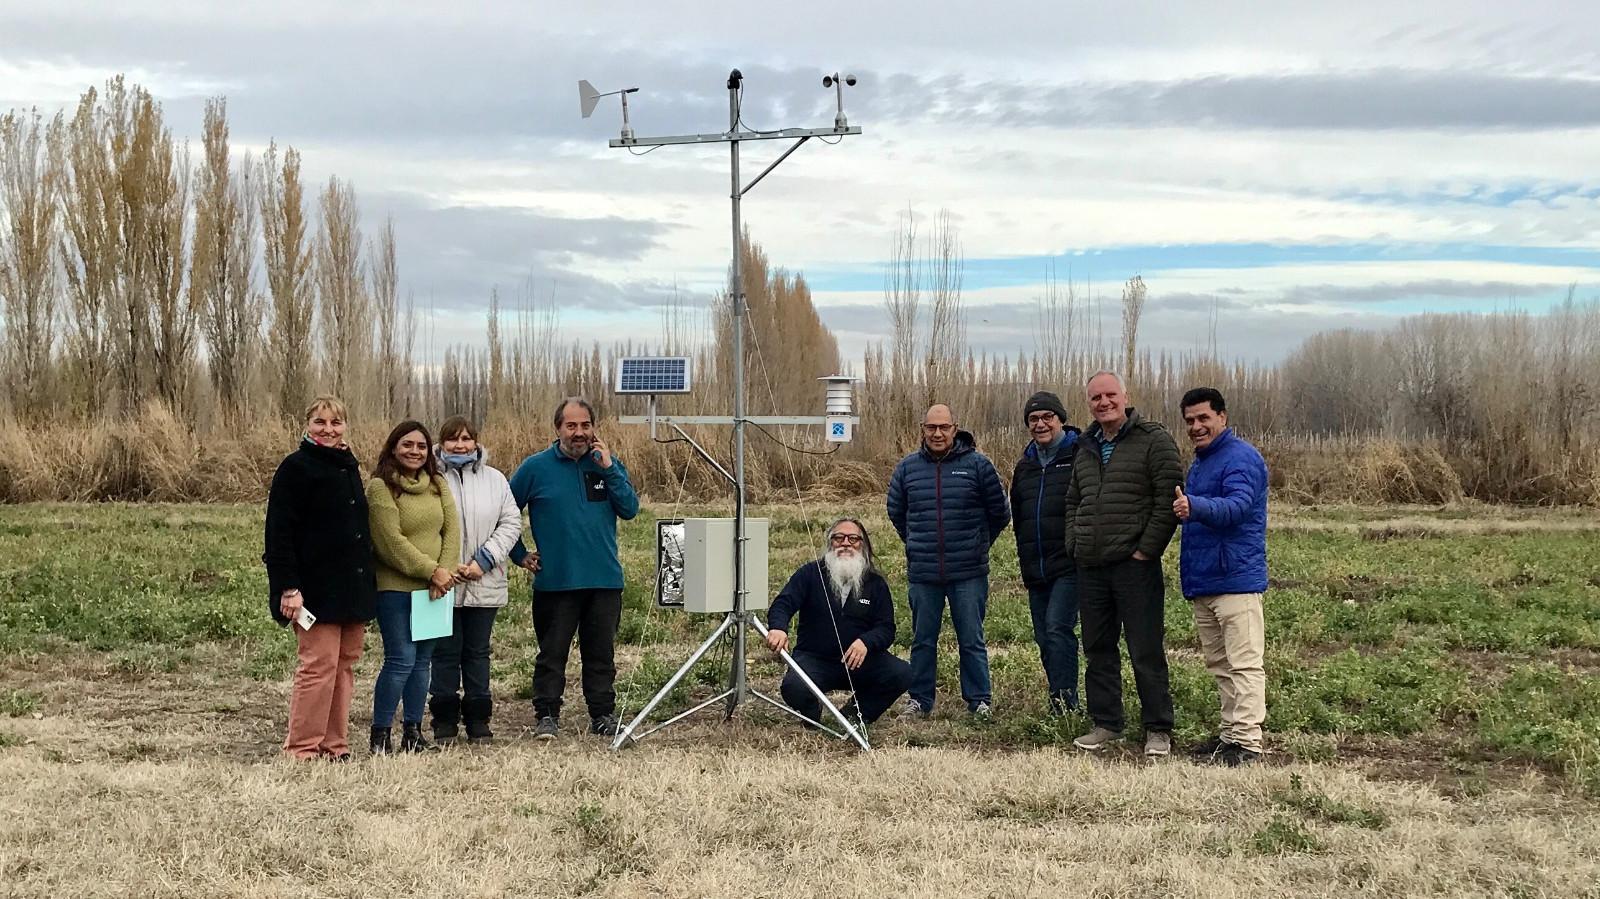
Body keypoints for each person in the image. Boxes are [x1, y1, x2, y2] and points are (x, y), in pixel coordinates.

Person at [1066, 371, 1184, 757]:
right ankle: (1107, 723)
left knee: (1145, 648)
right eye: (1095, 397)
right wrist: (1075, 543)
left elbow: (1168, 498)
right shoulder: (1086, 445)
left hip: (1135, 566)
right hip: (1092, 566)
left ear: (1125, 396)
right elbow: (1074, 500)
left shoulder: (1153, 440)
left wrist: (1145, 551)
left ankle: (1158, 728)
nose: (1103, 403)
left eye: (1110, 395)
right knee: (1098, 648)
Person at [509, 397, 640, 739]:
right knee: (552, 655)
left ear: (593, 428)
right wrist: (519, 553)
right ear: (558, 429)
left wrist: (609, 468)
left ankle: (602, 715)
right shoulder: (535, 468)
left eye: (585, 425)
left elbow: (629, 509)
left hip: (604, 581)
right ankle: (547, 715)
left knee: (601, 655)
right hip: (556, 582)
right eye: (571, 426)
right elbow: (503, 513)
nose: (579, 432)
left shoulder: (608, 465)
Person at [264, 395, 376, 761]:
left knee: (344, 667)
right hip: (314, 590)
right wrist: (288, 588)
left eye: (335, 422)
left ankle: (334, 745)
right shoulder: (295, 468)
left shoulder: (348, 466)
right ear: (307, 425)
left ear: (345, 426)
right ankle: (301, 748)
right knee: (318, 667)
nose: (328, 429)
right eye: (320, 422)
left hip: (352, 588)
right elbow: (279, 535)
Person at [886, 403, 1010, 719]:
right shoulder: (907, 468)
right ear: (923, 430)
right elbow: (896, 512)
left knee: (971, 639)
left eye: (944, 427)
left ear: (955, 429)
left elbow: (999, 512)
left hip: (968, 572)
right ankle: (919, 700)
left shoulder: (978, 465)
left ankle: (979, 701)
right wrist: (917, 543)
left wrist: (978, 543)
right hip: (924, 572)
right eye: (931, 427)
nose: (937, 433)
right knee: (922, 640)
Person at [1174, 387, 1269, 767]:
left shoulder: (1241, 458)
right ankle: (1230, 735)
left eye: (1203, 418)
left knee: (1244, 664)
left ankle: (1248, 742)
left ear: (1222, 417)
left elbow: (1238, 506)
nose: (1196, 427)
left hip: (1235, 580)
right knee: (1220, 664)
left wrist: (1194, 505)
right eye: (1190, 421)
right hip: (1206, 581)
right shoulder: (1202, 462)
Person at [428, 416, 526, 744]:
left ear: (476, 442)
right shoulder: (429, 478)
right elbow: (422, 526)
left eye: (466, 438)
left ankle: (478, 718)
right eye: (452, 439)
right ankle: (444, 719)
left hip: (484, 580)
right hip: (443, 581)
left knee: (477, 652)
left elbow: (511, 522)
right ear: (441, 443)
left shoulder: (495, 480)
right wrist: (442, 567)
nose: (460, 445)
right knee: (444, 652)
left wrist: (483, 561)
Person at [366, 420, 460, 755]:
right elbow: (389, 543)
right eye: (407, 445)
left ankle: (413, 733)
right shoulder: (380, 488)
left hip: (435, 590)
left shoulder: (437, 484)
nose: (415, 451)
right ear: (393, 447)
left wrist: (443, 575)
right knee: (401, 659)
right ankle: (380, 736)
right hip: (395, 589)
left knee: (423, 662)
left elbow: (452, 532)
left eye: (421, 446)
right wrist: (432, 571)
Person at [764, 517, 912, 728]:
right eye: (839, 538)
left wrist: (866, 642)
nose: (845, 544)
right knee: (793, 687)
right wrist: (778, 627)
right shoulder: (809, 574)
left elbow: (886, 628)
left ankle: (854, 715)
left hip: (861, 661)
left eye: (853, 539)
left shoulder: (876, 583)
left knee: (902, 673)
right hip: (815, 659)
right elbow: (783, 603)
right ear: (830, 543)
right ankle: (812, 714)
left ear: (863, 545)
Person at [1009, 390, 1083, 715]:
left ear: (1061, 420)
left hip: (1069, 564)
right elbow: (1018, 515)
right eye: (1033, 419)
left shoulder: (1079, 457)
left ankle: (1066, 702)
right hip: (1035, 566)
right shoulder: (1025, 466)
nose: (1040, 424)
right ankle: (1058, 697)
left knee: (1057, 628)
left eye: (1047, 417)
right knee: (1043, 636)